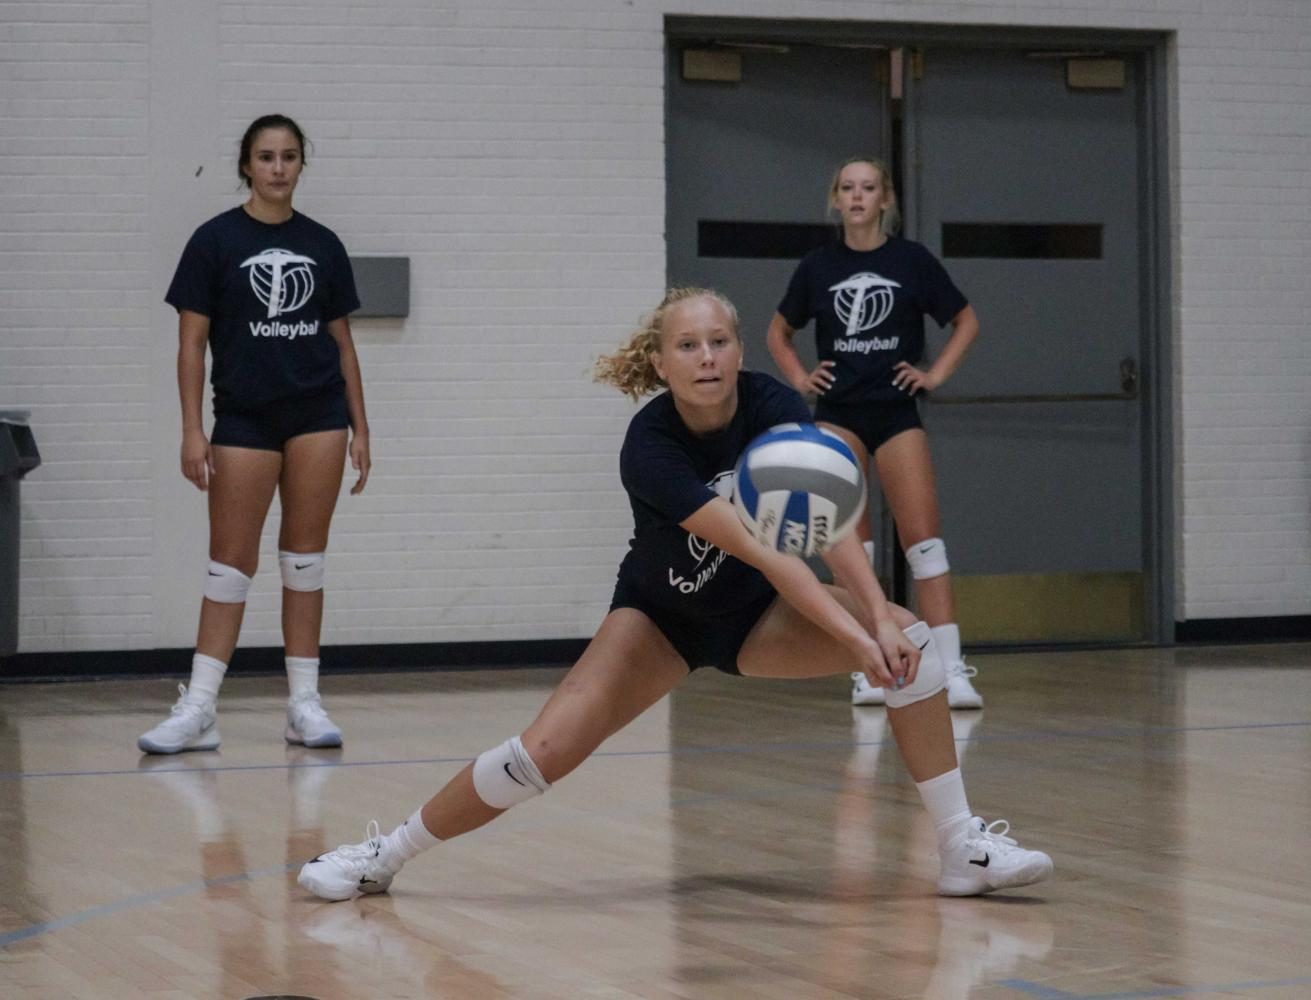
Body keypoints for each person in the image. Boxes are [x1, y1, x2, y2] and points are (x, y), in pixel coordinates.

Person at [298, 288, 1050, 901]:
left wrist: (880, 617)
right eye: (687, 345)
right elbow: (757, 544)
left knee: (912, 645)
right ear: (659, 362)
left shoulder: (774, 408)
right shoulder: (649, 445)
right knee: (541, 753)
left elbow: (823, 530)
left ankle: (961, 850)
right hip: (659, 620)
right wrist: (860, 646)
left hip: (758, 618)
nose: (706, 358)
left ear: (739, 350)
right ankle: (384, 855)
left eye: (718, 341)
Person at [138, 114, 370, 754]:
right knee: (229, 567)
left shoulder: (323, 244)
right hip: (243, 418)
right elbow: (190, 347)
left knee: (304, 562)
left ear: (301, 164)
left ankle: (303, 704)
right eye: (265, 157)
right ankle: (201, 708)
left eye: (289, 156)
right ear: (246, 164)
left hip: (318, 417)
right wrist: (192, 430)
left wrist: (361, 428)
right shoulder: (213, 241)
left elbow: (343, 346)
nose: (277, 168)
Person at [767, 156, 983, 710]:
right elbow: (777, 331)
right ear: (835, 199)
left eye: (868, 188)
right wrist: (799, 377)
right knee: (852, 553)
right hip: (839, 413)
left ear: (885, 199)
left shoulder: (911, 261)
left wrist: (934, 374)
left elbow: (966, 320)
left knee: (926, 547)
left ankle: (952, 668)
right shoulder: (818, 267)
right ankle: (868, 664)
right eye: (847, 188)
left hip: (895, 415)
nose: (858, 197)